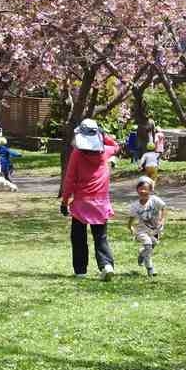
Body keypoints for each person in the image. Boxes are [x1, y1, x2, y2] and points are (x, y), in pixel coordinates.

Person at [60, 118, 120, 280]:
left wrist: (65, 201)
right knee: (101, 237)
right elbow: (116, 146)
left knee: (78, 237)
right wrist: (104, 135)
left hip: (81, 203)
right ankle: (106, 265)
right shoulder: (105, 152)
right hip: (100, 203)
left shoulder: (77, 154)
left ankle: (80, 271)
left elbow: (70, 179)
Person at [127, 176, 169, 277]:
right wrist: (130, 227)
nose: (143, 191)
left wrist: (162, 220)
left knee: (152, 245)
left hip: (155, 229)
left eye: (146, 189)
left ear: (150, 190)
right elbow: (131, 219)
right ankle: (150, 268)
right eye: (140, 188)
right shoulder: (135, 206)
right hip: (142, 230)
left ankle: (142, 253)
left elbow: (164, 208)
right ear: (137, 190)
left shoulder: (154, 200)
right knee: (148, 245)